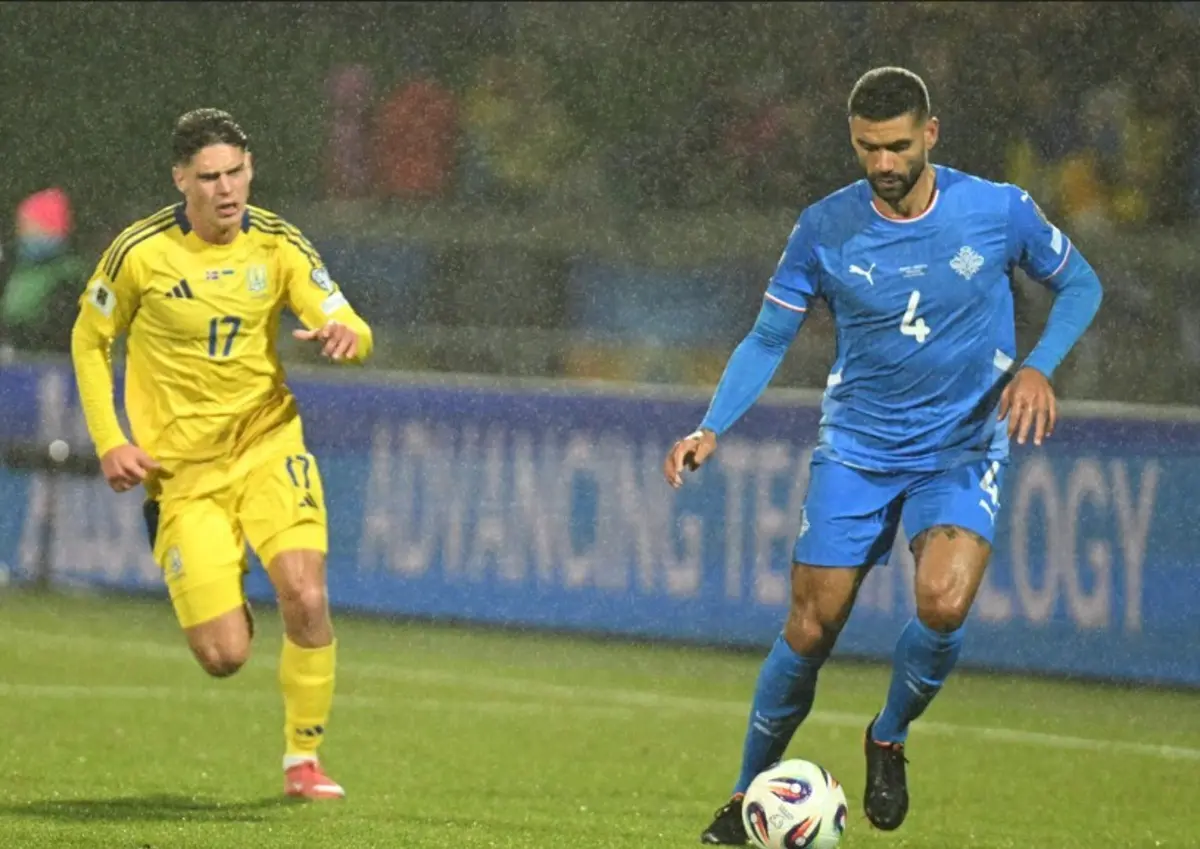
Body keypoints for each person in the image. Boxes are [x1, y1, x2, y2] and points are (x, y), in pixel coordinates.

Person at [662, 67, 1103, 842]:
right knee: (809, 628)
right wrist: (711, 426)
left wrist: (1038, 364)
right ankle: (741, 797)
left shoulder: (999, 210)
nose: (884, 163)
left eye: (898, 146)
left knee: (943, 600)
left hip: (961, 443)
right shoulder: (822, 227)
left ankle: (889, 733)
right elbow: (770, 335)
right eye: (868, 148)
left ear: (930, 133)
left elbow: (1083, 286)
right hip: (859, 447)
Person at [70, 108, 374, 800]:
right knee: (223, 656)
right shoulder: (139, 252)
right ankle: (224, 584)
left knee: (306, 590)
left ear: (251, 169)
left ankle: (304, 759)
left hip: (268, 444)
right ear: (181, 180)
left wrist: (348, 336)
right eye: (208, 177)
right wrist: (111, 438)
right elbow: (89, 339)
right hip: (182, 477)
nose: (226, 189)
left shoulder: (277, 244)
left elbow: (345, 317)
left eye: (236, 172)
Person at [0, 187, 88, 356]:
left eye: (32, 227)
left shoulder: (68, 275)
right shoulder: (17, 271)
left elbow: (61, 328)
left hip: (48, 368)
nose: (23, 233)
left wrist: (20, 341)